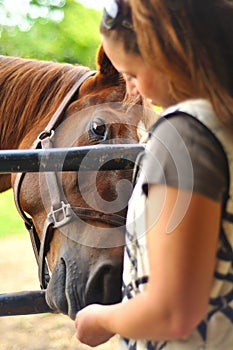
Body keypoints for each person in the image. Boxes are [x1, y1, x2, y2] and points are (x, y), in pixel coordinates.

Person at [75, 0, 233, 349]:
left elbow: (172, 313)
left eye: (131, 74)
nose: (131, 90)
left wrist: (100, 318)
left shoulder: (184, 136)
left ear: (169, 54)